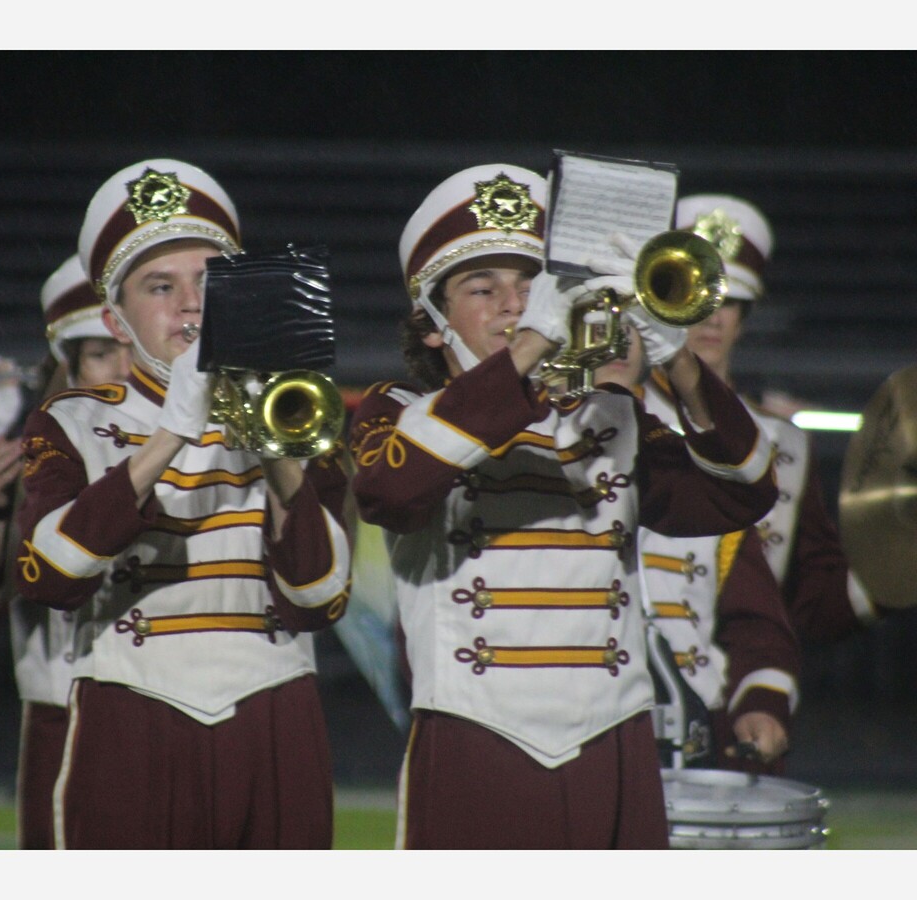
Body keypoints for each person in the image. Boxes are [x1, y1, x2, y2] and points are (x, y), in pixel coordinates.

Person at [349, 164, 779, 849]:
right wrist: (531, 347)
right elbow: (390, 490)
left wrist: (678, 359)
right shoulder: (398, 412)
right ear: (431, 324)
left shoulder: (609, 415)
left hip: (614, 740)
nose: (514, 305)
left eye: (531, 286)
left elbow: (745, 490)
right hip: (474, 737)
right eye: (483, 288)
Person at [14, 159, 352, 849]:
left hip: (275, 711)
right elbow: (48, 576)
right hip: (131, 713)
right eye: (161, 287)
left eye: (208, 281)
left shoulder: (292, 409)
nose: (191, 305)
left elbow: (320, 597)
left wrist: (273, 447)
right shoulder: (71, 420)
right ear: (115, 319)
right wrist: (171, 431)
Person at [0, 253, 130, 849]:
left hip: (190, 711)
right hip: (64, 718)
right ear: (66, 365)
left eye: (132, 346)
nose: (125, 368)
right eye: (101, 352)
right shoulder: (32, 467)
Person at [655, 194, 879, 643]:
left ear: (744, 318)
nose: (712, 318)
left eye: (730, 301)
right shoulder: (621, 413)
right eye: (697, 295)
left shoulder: (785, 444)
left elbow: (810, 603)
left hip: (740, 677)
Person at [596, 326, 801, 775]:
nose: (613, 339)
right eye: (594, 322)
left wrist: (761, 702)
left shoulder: (690, 465)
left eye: (628, 324)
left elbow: (756, 622)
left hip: (691, 720)